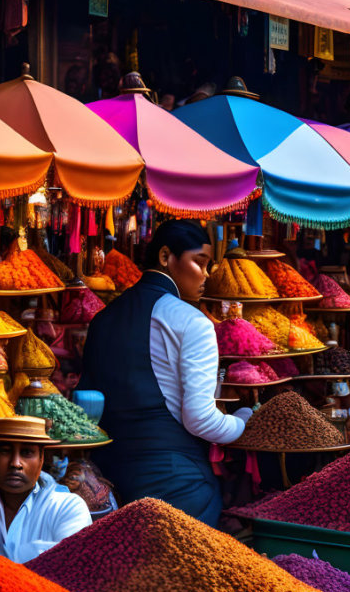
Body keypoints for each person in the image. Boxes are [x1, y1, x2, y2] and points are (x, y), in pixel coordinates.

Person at [77, 220, 251, 526]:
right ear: (165, 256)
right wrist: (244, 422)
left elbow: (87, 403)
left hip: (110, 480)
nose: (206, 275)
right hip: (178, 487)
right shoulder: (192, 322)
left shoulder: (103, 319)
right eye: (200, 262)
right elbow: (200, 418)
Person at [0, 417, 92, 562]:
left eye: (26, 452)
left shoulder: (68, 509)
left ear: (41, 460)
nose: (15, 463)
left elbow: (71, 568)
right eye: (5, 451)